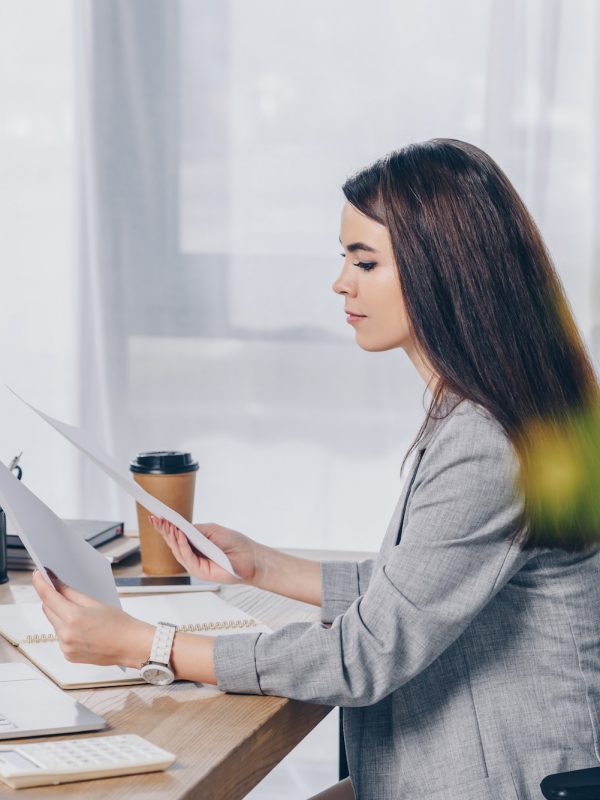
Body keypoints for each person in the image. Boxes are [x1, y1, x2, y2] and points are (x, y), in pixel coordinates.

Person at [33, 139, 600, 800]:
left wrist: (146, 645)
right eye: (344, 259)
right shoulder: (495, 412)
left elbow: (363, 657)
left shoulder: (486, 441)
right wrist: (266, 568)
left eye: (366, 261)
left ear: (443, 270)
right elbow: (426, 587)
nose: (341, 283)